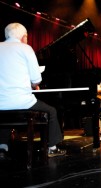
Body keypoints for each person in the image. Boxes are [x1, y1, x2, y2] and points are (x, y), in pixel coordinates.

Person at [0, 23, 66, 160]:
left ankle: (2, 147)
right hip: (22, 102)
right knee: (52, 111)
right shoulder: (25, 49)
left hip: (1, 103)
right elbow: (36, 80)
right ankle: (52, 148)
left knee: (6, 112)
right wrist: (32, 84)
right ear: (23, 36)